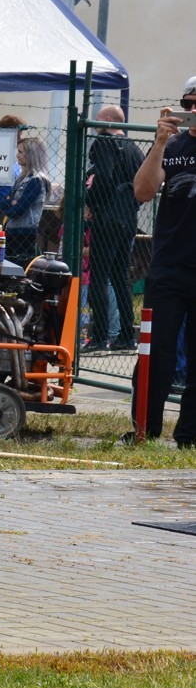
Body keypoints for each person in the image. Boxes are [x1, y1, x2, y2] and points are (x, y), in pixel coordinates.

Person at [132, 81, 196, 446]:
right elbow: (143, 192)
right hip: (170, 264)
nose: (193, 110)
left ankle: (190, 434)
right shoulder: (171, 146)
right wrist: (158, 143)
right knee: (155, 350)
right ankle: (144, 428)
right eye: (189, 103)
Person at [85, 104, 144, 350]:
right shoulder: (134, 149)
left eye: (98, 120)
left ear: (108, 120)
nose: (95, 125)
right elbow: (142, 184)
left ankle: (99, 336)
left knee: (99, 276)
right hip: (128, 217)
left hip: (106, 216)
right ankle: (126, 335)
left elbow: (104, 178)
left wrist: (91, 201)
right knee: (120, 277)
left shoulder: (103, 142)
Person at [0, 134, 52, 266]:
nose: (17, 155)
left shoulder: (37, 180)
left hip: (24, 233)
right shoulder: (21, 179)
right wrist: (12, 203)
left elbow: (18, 210)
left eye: (21, 152)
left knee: (18, 266)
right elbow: (3, 203)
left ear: (31, 155)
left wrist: (11, 203)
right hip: (12, 230)